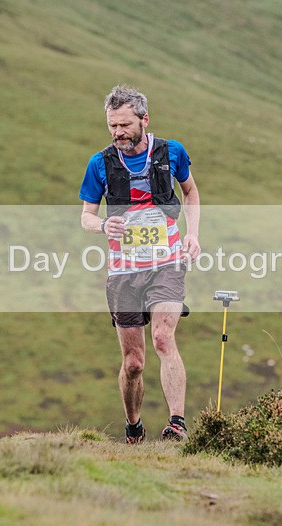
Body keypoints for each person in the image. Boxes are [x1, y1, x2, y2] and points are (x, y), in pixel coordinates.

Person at [79, 85, 201, 444]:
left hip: (168, 262)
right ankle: (134, 426)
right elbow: (86, 216)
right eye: (112, 126)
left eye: (125, 125)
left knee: (164, 339)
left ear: (144, 120)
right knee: (134, 362)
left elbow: (190, 192)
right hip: (123, 271)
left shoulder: (172, 152)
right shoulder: (99, 163)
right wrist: (102, 224)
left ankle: (176, 424)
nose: (118, 132)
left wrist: (192, 235)